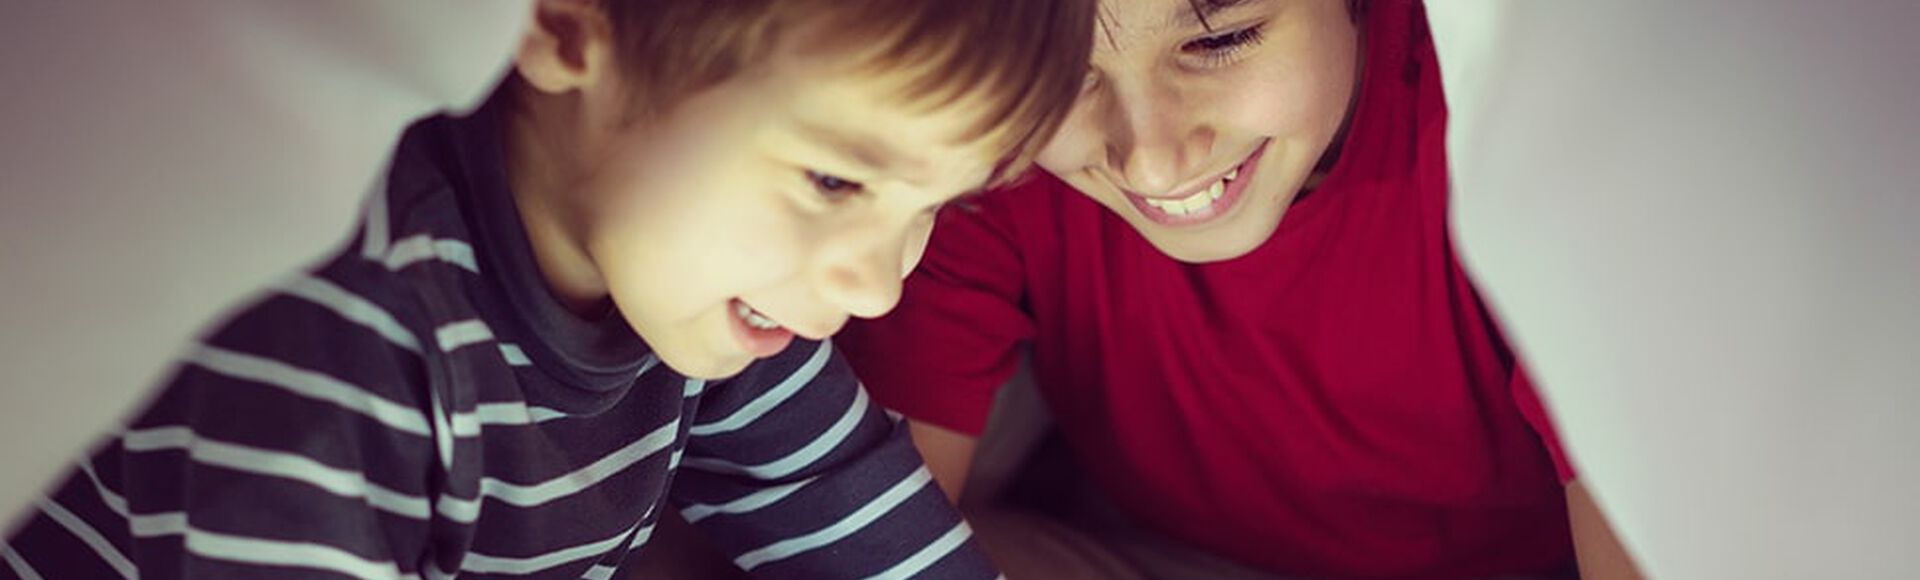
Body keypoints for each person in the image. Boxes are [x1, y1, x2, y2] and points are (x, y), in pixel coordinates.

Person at [0, 0, 1090, 577]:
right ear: (570, 28)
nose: (876, 284)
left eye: (934, 209)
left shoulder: (706, 284)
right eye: (835, 179)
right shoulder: (340, 334)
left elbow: (845, 503)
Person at [838, 0, 1640, 577]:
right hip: (1168, 551)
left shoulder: (1515, 135)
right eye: (1060, 75)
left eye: (1219, 40)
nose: (1150, 159)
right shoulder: (1000, 147)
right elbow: (866, 529)